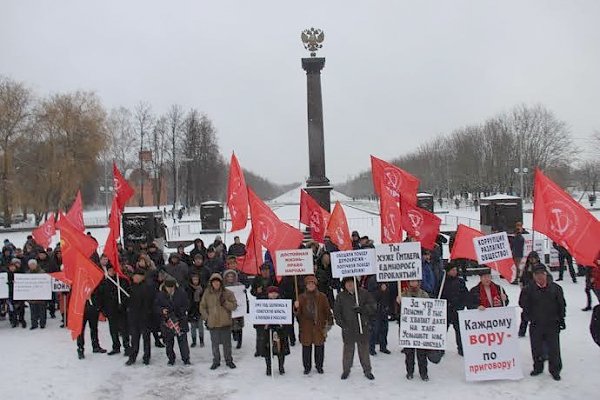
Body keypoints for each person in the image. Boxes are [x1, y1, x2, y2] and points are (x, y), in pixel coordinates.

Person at [519, 264, 566, 381]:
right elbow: (522, 304)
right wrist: (529, 317)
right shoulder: (528, 289)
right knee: (536, 348)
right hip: (536, 324)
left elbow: (561, 305)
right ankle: (538, 367)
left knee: (554, 349)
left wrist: (561, 320)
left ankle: (555, 370)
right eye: (537, 274)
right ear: (534, 276)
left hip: (552, 323)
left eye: (542, 274)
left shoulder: (556, 288)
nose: (540, 277)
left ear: (546, 274)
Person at [334, 276, 376, 380]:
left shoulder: (364, 294)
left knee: (364, 350)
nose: (349, 285)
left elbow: (373, 307)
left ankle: (367, 370)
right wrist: (342, 325)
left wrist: (362, 309)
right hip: (348, 328)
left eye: (351, 283)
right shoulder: (341, 296)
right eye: (347, 283)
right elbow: (337, 313)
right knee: (348, 350)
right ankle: (346, 370)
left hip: (362, 327)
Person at [295, 275, 333, 374]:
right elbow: (297, 314)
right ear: (306, 286)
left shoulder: (322, 297)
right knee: (306, 348)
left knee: (319, 347)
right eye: (309, 284)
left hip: (319, 326)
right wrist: (296, 307)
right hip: (306, 327)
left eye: (312, 283)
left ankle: (319, 366)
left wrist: (329, 322)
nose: (311, 285)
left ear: (315, 285)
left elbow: (327, 311)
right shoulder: (301, 297)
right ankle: (307, 367)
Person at [200, 273, 238, 370]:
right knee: (215, 345)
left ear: (221, 283)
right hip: (213, 323)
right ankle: (216, 361)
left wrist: (225, 302)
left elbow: (234, 306)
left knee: (227, 345)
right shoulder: (207, 293)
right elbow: (202, 307)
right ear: (211, 283)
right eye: (214, 282)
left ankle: (229, 360)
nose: (216, 284)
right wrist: (207, 318)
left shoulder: (228, 293)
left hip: (225, 323)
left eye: (218, 282)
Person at [399, 279, 431, 381]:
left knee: (422, 354)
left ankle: (423, 373)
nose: (413, 283)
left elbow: (429, 310)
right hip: (408, 330)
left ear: (419, 283)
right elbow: (398, 313)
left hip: (420, 330)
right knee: (409, 353)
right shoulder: (403, 295)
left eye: (415, 281)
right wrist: (398, 302)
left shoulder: (424, 294)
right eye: (411, 281)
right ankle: (409, 371)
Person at [155, 277, 191, 365]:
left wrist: (180, 312)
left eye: (172, 287)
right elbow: (155, 306)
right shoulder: (160, 295)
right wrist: (162, 310)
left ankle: (186, 358)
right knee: (168, 342)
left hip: (180, 320)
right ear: (165, 287)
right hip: (167, 321)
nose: (170, 289)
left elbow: (186, 304)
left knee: (183, 341)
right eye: (168, 287)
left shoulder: (181, 293)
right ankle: (171, 358)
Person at [257, 286, 290, 375]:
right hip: (268, 330)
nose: (273, 295)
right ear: (268, 294)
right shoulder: (263, 304)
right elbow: (259, 316)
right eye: (271, 293)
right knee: (267, 349)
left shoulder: (283, 303)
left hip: (280, 330)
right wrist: (264, 324)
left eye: (275, 293)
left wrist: (283, 324)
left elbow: (287, 316)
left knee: (281, 348)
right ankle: (268, 367)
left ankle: (281, 366)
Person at [99, 264, 131, 356]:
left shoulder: (123, 281)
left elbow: (127, 294)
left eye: (113, 270)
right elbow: (101, 298)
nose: (112, 272)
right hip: (110, 310)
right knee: (113, 329)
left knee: (124, 329)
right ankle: (116, 346)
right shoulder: (105, 282)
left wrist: (124, 304)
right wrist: (103, 310)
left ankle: (127, 347)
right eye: (110, 270)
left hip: (121, 309)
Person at [126, 269, 154, 366]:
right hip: (133, 316)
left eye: (138, 276)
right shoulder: (130, 287)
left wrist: (148, 312)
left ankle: (146, 357)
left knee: (146, 338)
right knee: (134, 338)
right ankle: (132, 356)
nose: (135, 278)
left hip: (145, 316)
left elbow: (151, 302)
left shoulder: (148, 287)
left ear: (143, 277)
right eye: (134, 276)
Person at [440, 262, 468, 355]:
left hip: (457, 309)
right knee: (442, 330)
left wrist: (462, 305)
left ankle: (461, 348)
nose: (455, 272)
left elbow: (465, 294)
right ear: (447, 271)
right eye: (452, 270)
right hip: (446, 310)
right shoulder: (442, 281)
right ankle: (440, 349)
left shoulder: (460, 281)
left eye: (456, 270)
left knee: (459, 330)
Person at [251, 264, 276, 356]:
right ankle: (259, 349)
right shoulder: (257, 279)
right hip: (260, 306)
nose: (265, 272)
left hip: (272, 307)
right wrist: (256, 292)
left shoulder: (274, 279)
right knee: (260, 330)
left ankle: (274, 349)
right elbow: (252, 291)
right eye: (263, 270)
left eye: (266, 270)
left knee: (273, 329)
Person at [223, 269, 246, 349]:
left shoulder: (239, 285)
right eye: (228, 276)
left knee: (239, 327)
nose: (230, 278)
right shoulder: (223, 286)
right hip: (228, 309)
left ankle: (239, 342)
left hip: (238, 309)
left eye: (232, 276)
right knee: (229, 326)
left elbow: (243, 296)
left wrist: (243, 291)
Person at [369, 281, 393, 356]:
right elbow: (371, 295)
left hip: (385, 310)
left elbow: (390, 295)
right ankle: (371, 348)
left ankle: (383, 347)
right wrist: (380, 290)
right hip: (375, 311)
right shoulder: (372, 280)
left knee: (384, 329)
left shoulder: (388, 281)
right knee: (374, 330)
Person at [26, 259, 47, 330]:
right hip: (31, 295)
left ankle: (42, 323)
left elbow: (46, 283)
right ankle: (34, 324)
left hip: (41, 295)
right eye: (30, 265)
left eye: (33, 264)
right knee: (33, 311)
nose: (32, 266)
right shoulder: (27, 274)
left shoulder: (42, 272)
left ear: (36, 265)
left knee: (42, 310)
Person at [6, 259, 26, 328]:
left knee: (21, 307)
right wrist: (10, 282)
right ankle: (13, 320)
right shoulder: (6, 275)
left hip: (20, 293)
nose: (12, 268)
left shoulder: (20, 273)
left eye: (13, 266)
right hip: (10, 294)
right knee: (11, 308)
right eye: (10, 266)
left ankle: (21, 319)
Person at [187, 273, 204, 348]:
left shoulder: (201, 288)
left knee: (200, 326)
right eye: (194, 279)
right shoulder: (189, 288)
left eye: (196, 279)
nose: (195, 281)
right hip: (192, 310)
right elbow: (187, 299)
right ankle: (194, 341)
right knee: (193, 327)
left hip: (199, 309)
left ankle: (201, 340)